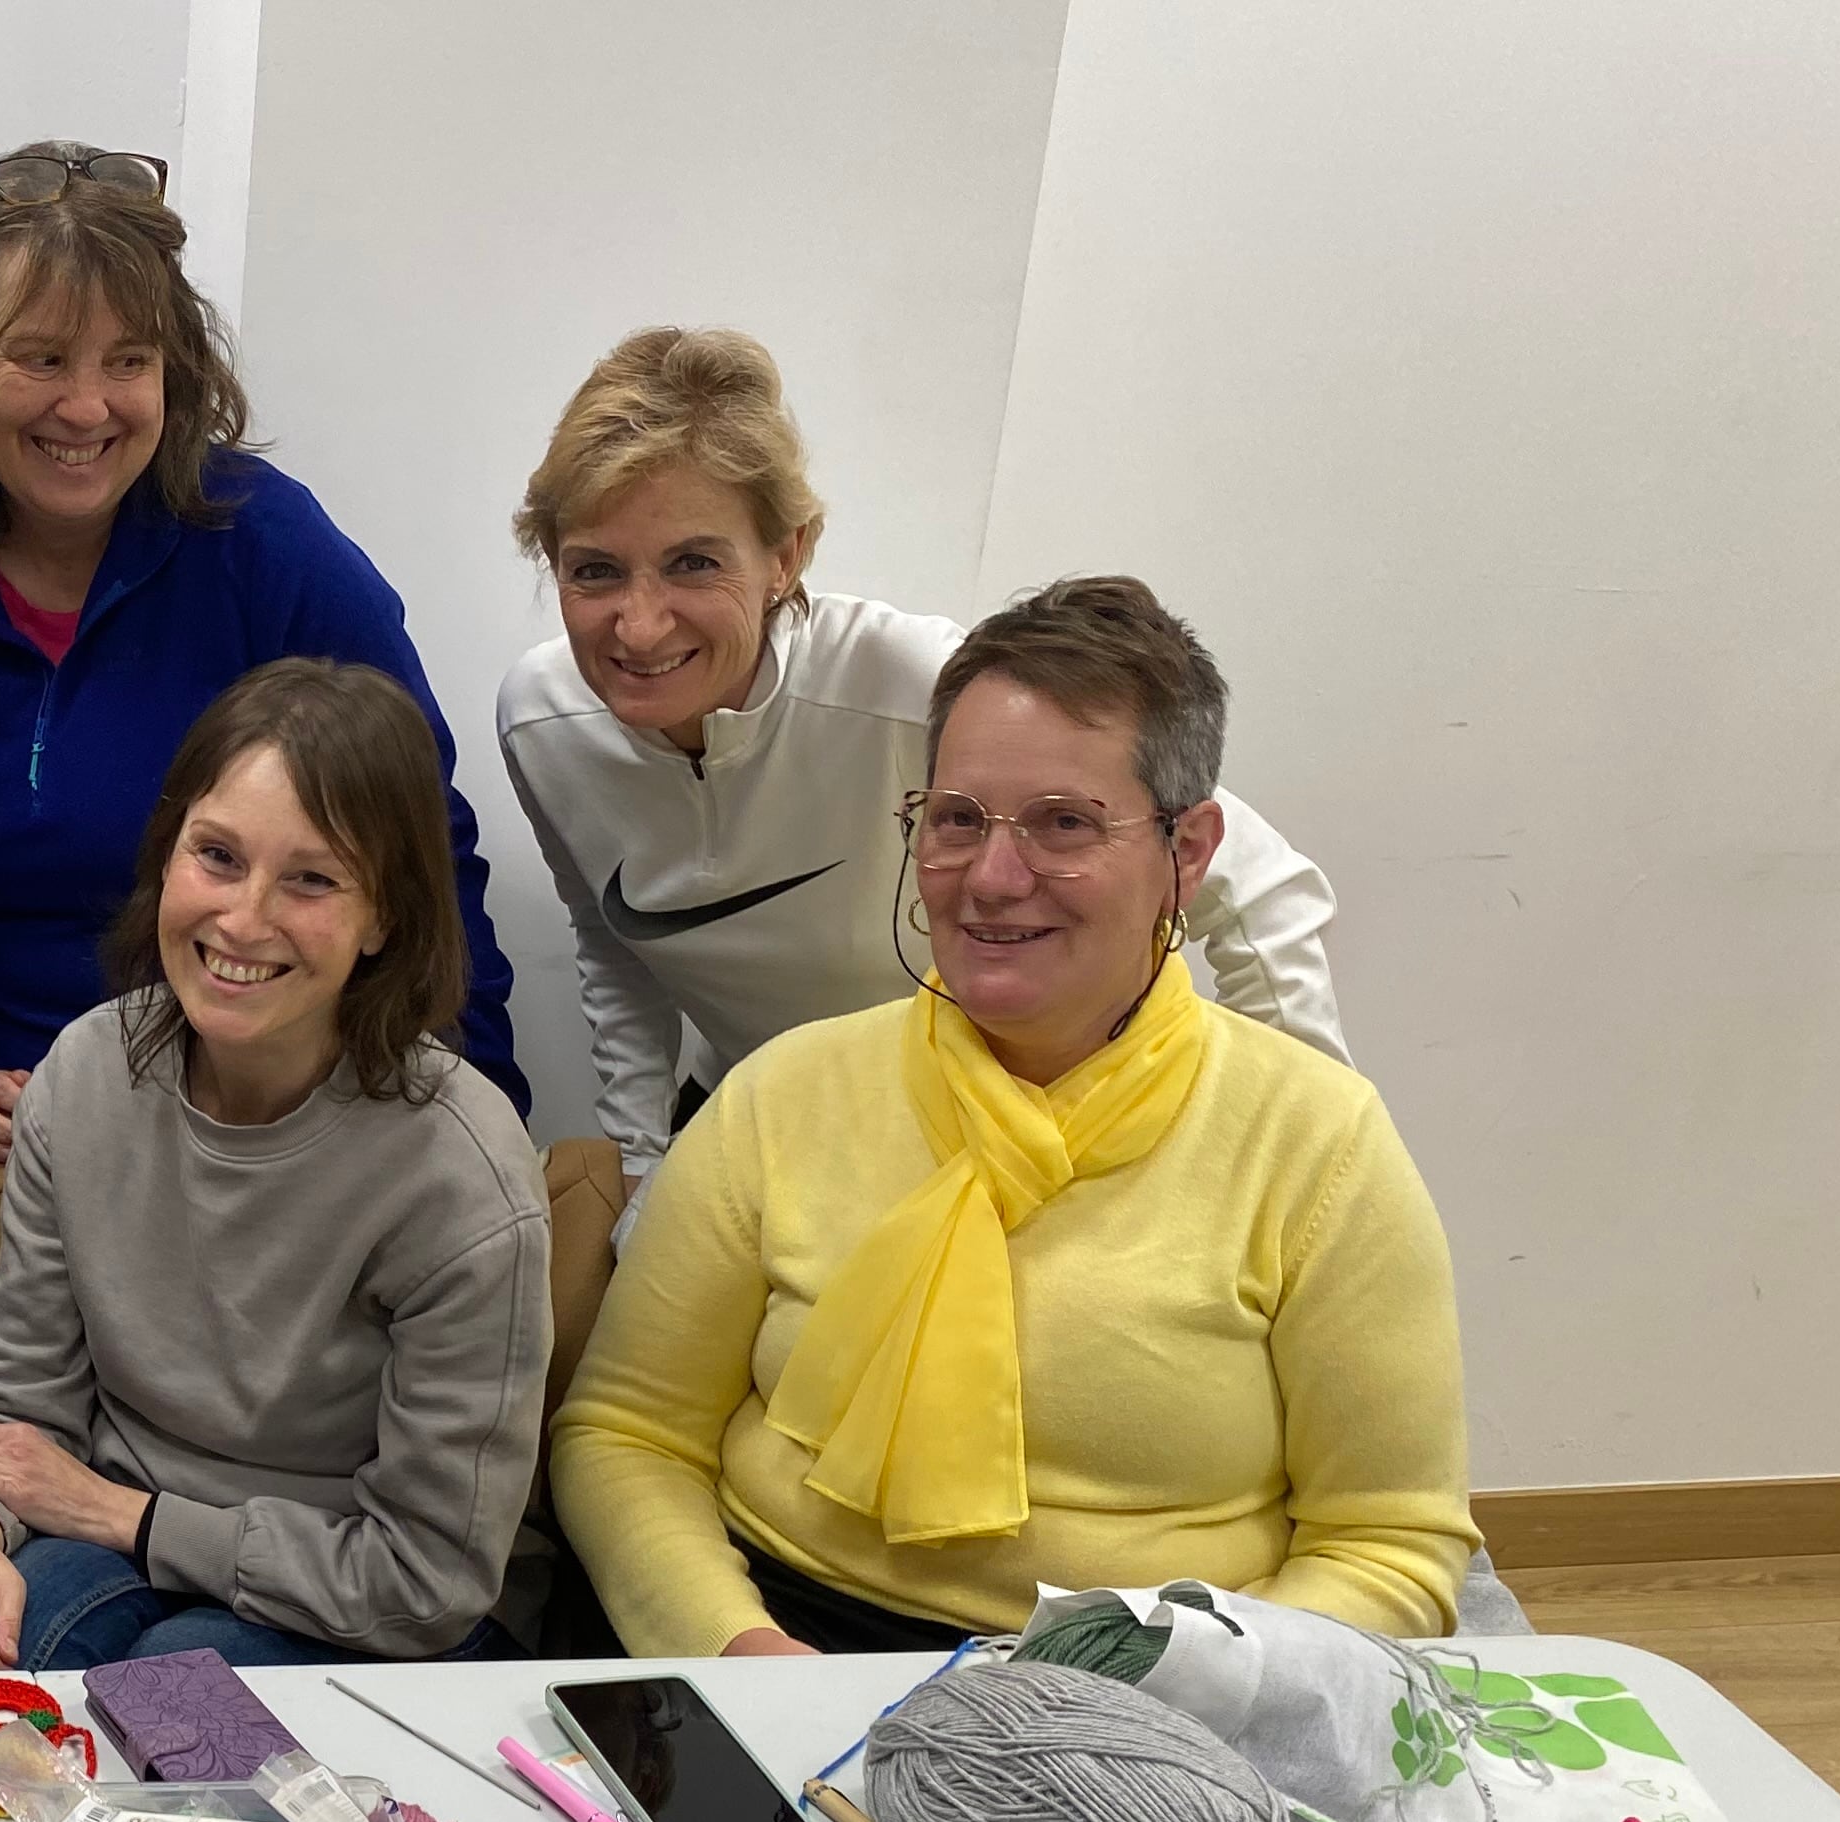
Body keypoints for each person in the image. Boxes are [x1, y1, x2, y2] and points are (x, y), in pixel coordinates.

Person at [550, 577, 1472, 1658]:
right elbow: (625, 1434)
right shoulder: (781, 1095)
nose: (990, 878)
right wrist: (739, 1651)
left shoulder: (1319, 1146)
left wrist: (1163, 1696)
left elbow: (1388, 1545)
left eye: (1063, 824)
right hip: (772, 1636)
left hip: (1155, 1682)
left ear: (1188, 852)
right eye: (956, 820)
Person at [0, 141, 524, 1272]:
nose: (87, 405)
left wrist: (479, 1126)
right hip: (14, 1139)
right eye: (43, 357)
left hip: (268, 1132)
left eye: (130, 360)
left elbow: (421, 843)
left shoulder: (269, 550)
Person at [497, 327, 1345, 1220]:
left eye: (694, 563)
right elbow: (613, 939)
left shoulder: (911, 683)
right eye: (595, 571)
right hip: (754, 1121)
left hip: (972, 1124)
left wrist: (1296, 1177)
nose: (638, 626)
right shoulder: (540, 722)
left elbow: (1261, 889)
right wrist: (642, 1158)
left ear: (786, 554)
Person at [0, 660, 550, 1673]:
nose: (244, 918)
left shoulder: (462, 1176)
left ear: (385, 917)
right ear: (167, 855)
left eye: (313, 879)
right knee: (0, 1655)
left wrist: (122, 1513)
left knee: (179, 1697)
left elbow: (425, 1579)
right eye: (218, 856)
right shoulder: (86, 1071)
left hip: (348, 1578)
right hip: (104, 1524)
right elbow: (14, 1390)